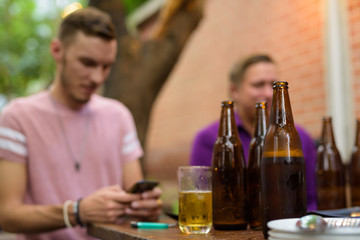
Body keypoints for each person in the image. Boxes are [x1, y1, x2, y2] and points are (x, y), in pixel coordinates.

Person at [0, 7, 162, 240]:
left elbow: (135, 197)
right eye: (87, 63)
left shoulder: (119, 116)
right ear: (57, 50)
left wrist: (146, 206)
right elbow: (7, 215)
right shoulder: (18, 117)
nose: (97, 77)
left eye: (106, 66)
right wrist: (77, 211)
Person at [190, 54, 317, 211]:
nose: (269, 93)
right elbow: (202, 202)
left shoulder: (300, 137)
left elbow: (312, 199)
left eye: (273, 84)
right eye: (258, 85)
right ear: (234, 90)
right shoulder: (208, 139)